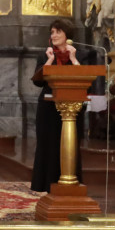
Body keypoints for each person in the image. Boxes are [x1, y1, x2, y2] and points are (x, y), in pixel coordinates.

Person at [30, 19, 95, 192]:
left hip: (72, 107)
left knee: (69, 144)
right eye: (52, 32)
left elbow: (86, 78)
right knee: (47, 143)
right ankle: (45, 184)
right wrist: (50, 60)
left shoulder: (81, 54)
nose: (54, 35)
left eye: (58, 31)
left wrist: (73, 58)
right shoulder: (45, 55)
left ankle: (70, 181)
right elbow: (38, 81)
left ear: (68, 35)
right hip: (48, 106)